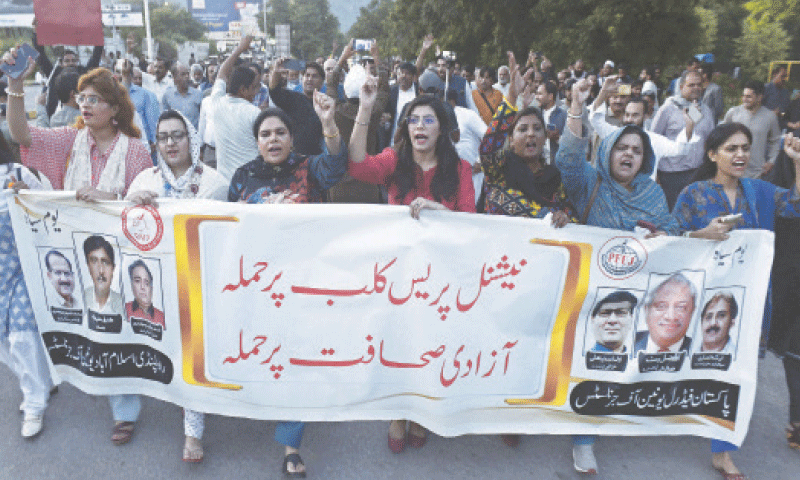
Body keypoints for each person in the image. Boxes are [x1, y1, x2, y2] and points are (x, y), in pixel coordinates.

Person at [349, 76, 475, 453]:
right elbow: (357, 167)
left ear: (442, 130)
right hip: (399, 274)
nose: (419, 127)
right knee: (399, 340)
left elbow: (470, 220)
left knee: (431, 343)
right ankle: (398, 412)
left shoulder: (461, 169)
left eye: (428, 120)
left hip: (443, 275)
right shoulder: (394, 161)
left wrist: (439, 211)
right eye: (413, 120)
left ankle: (422, 412)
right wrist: (366, 108)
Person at [559, 78, 678, 475]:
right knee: (587, 360)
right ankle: (583, 440)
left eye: (637, 150)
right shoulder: (590, 183)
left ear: (645, 159)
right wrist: (577, 107)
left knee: (619, 359)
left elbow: (671, 229)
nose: (629, 154)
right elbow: (568, 162)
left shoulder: (652, 193)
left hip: (637, 293)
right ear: (608, 152)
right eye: (622, 147)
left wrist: (663, 234)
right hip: (590, 289)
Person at [226, 92, 344, 477]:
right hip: (257, 286)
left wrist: (328, 124)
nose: (273, 139)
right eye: (265, 134)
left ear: (292, 139)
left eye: (280, 132)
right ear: (256, 141)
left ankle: (292, 445)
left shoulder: (310, 169)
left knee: (296, 360)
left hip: (303, 285)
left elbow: (337, 167)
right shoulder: (242, 177)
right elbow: (229, 231)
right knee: (265, 353)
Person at [673, 123, 800, 478]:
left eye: (745, 147)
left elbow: (795, 207)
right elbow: (669, 235)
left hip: (748, 301)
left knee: (736, 372)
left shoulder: (759, 191)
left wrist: (798, 163)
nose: (741, 154)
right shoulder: (694, 193)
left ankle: (722, 451)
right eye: (731, 148)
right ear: (713, 154)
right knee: (695, 362)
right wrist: (702, 234)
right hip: (701, 298)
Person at [126, 109, 227, 463]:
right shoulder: (144, 182)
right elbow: (128, 234)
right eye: (163, 137)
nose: (170, 143)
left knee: (192, 351)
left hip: (200, 281)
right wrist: (132, 206)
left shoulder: (215, 183)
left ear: (192, 139)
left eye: (178, 135)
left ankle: (192, 431)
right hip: (156, 285)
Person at [479, 57, 574, 221]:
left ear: (545, 138)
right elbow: (488, 148)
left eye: (537, 129)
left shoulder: (554, 178)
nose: (531, 134)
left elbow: (573, 219)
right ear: (511, 139)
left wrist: (564, 218)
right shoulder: (498, 170)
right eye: (522, 129)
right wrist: (512, 97)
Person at [0, 157, 54, 439]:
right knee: (3, 343)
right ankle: (38, 379)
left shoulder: (17, 172)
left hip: (24, 267)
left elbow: (52, 206)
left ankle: (34, 403)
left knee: (21, 335)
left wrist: (30, 196)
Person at [651, 71, 716, 210]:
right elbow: (653, 141)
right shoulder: (668, 109)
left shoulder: (706, 111)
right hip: (671, 175)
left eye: (699, 85)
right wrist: (654, 174)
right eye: (691, 85)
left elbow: (711, 140)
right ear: (681, 87)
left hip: (697, 173)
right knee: (675, 214)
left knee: (696, 212)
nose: (696, 88)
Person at [209, 36, 262, 180]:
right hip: (250, 182)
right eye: (253, 88)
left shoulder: (216, 102)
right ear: (243, 90)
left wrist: (239, 49)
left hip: (224, 183)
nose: (255, 93)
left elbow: (221, 73)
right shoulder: (255, 113)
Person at [722, 80, 781, 179]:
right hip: (732, 170)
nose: (744, 99)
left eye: (748, 96)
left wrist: (771, 161)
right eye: (743, 96)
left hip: (757, 173)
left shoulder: (770, 117)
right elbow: (720, 136)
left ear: (759, 97)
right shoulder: (733, 113)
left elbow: (776, 141)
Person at [633, 273, 696, 353]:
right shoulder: (628, 343)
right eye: (661, 306)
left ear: (692, 311)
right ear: (646, 310)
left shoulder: (699, 348)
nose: (670, 317)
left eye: (680, 307)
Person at [161, 62, 203, 129]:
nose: (186, 77)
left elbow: (203, 119)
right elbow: (165, 119)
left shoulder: (198, 94)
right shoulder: (167, 95)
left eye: (187, 74)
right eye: (183, 74)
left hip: (194, 136)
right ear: (175, 78)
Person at [124, 259, 164, 329]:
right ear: (131, 285)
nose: (142, 287)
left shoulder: (162, 317)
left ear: (151, 288)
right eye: (137, 281)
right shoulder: (123, 310)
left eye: (146, 283)